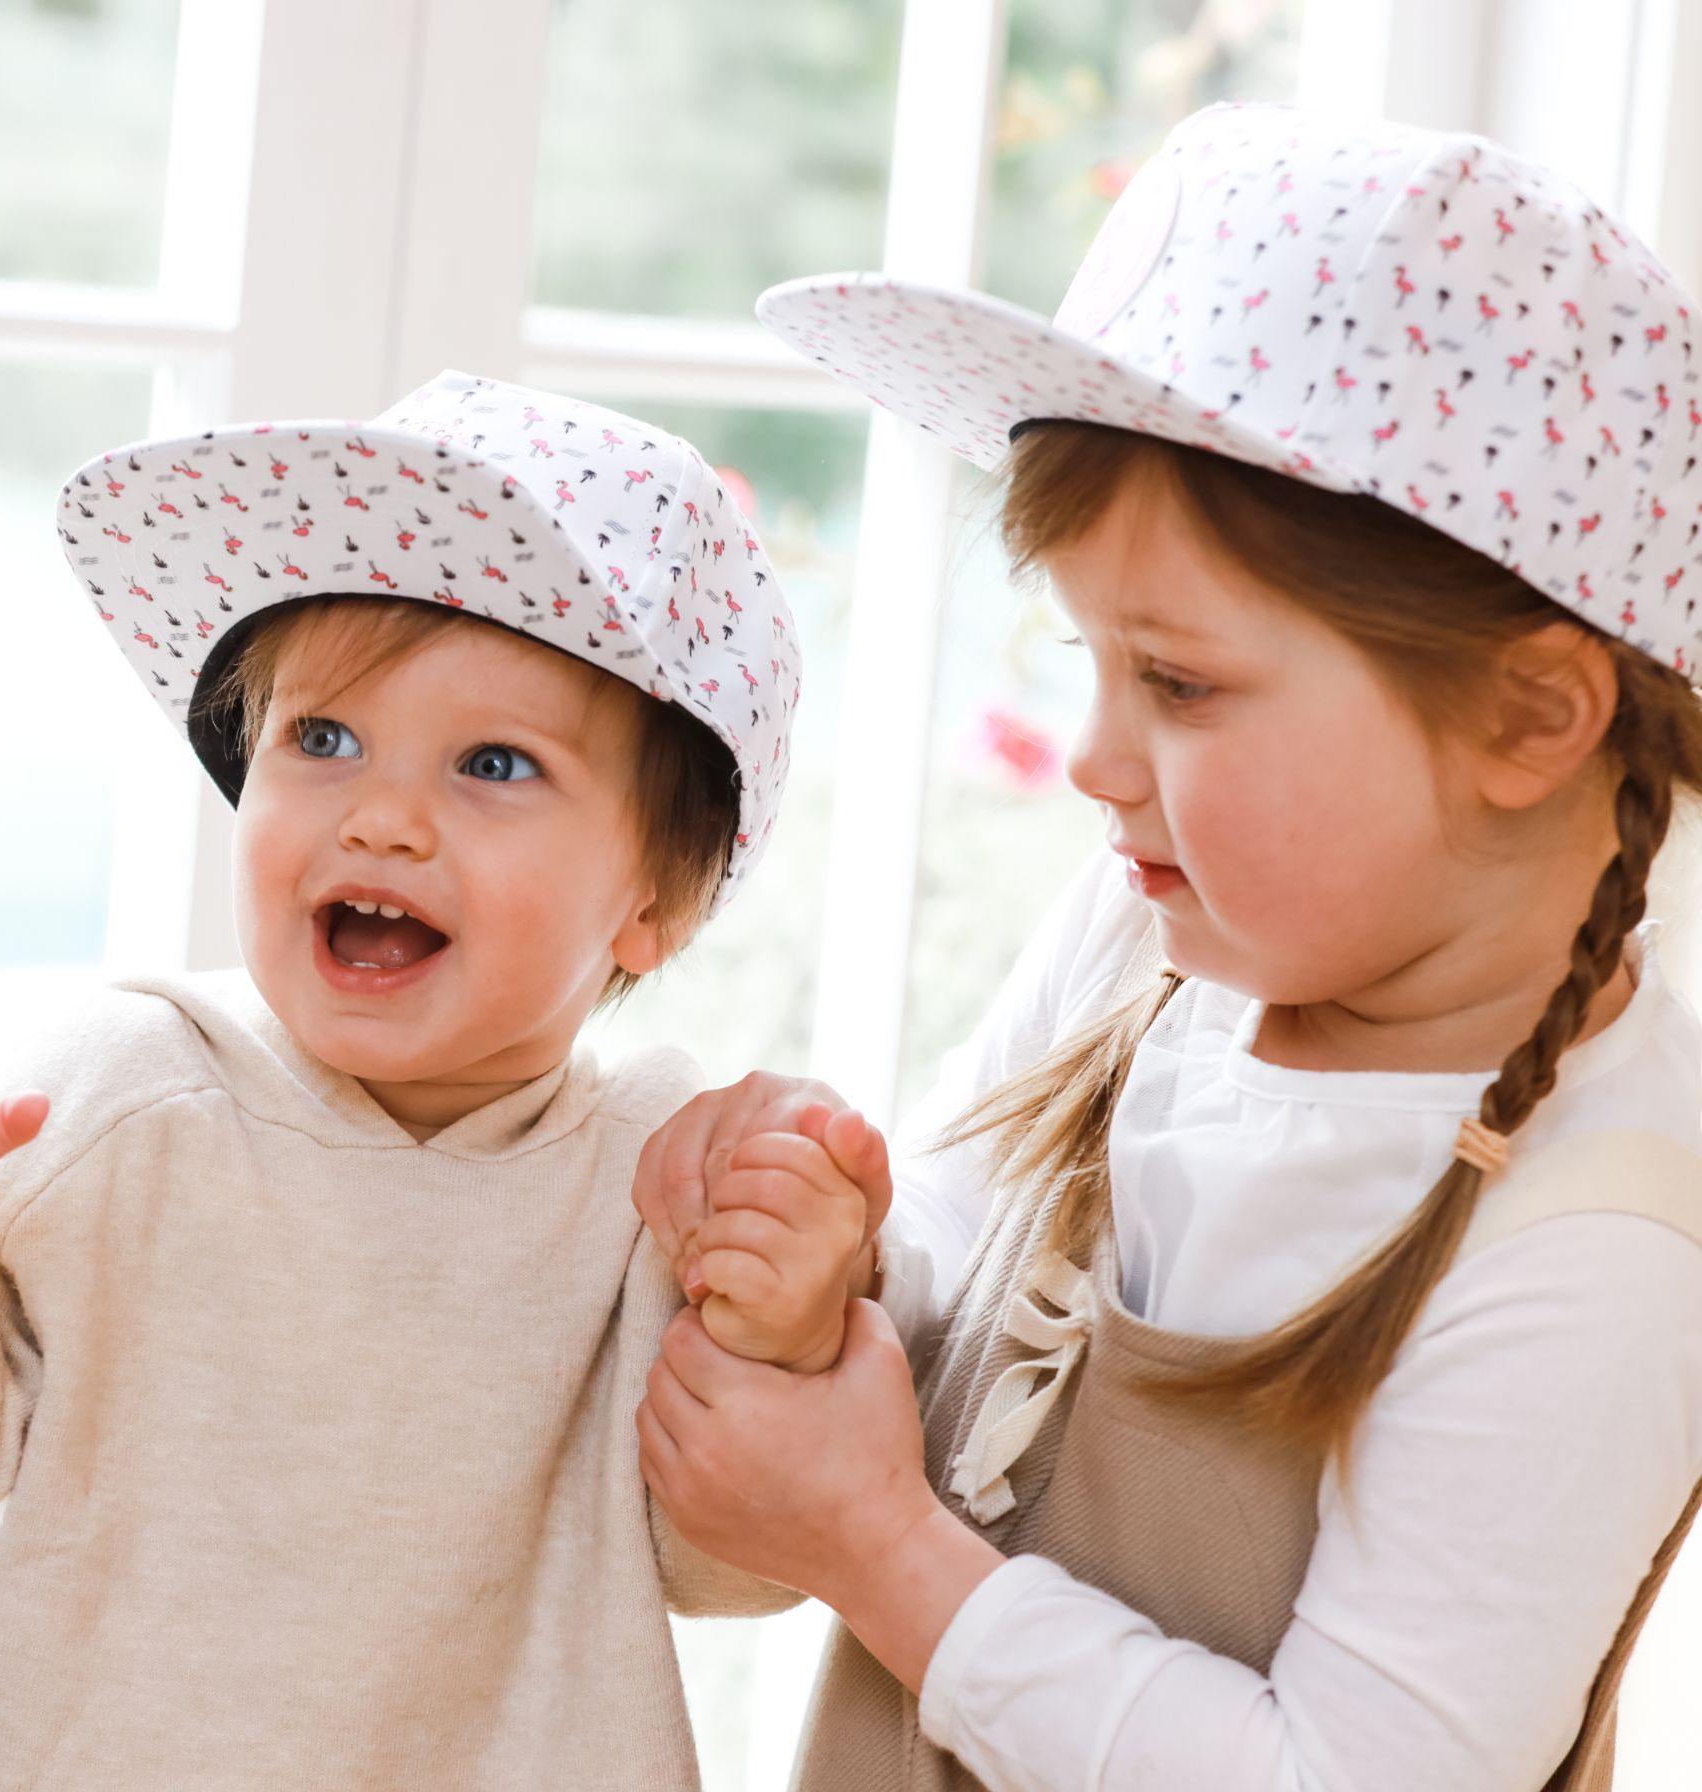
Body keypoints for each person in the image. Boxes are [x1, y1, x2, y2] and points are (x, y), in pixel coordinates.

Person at [636, 101, 1702, 1790]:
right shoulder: (1157, 934)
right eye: (1092, 663)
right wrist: (830, 1268)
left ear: (1528, 716)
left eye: (1182, 683)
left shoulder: (1605, 1228)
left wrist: (881, 1553)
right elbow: (955, 1268)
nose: (1090, 757)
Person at [0, 371, 862, 1789]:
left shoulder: (662, 1184)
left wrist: (780, 1332)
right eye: (322, 740)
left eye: (494, 764)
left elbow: (734, 1570)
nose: (386, 818)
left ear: (653, 901)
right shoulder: (125, 1103)